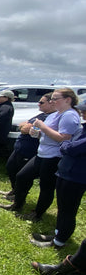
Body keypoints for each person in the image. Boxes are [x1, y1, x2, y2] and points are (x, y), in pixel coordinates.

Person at [0, 88, 81, 222]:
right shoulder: (56, 114)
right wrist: (36, 132)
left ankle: (37, 214)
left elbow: (64, 138)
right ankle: (17, 204)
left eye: (55, 99)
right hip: (42, 153)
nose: (52, 101)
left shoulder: (69, 115)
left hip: (54, 156)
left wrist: (42, 127)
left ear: (68, 100)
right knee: (22, 176)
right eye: (52, 99)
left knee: (46, 187)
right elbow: (46, 132)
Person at [29, 99, 86, 249]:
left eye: (84, 110)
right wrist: (67, 143)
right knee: (62, 207)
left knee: (68, 210)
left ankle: (59, 242)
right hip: (67, 171)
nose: (82, 113)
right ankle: (57, 235)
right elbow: (69, 144)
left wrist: (66, 143)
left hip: (77, 176)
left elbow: (70, 147)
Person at [0, 94, 54, 201]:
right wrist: (27, 126)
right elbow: (22, 125)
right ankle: (14, 190)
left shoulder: (50, 117)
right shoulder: (41, 114)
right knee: (11, 167)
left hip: (29, 150)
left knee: (22, 175)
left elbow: (26, 128)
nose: (38, 104)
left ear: (51, 104)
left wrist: (28, 126)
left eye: (42, 102)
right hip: (20, 147)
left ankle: (19, 196)